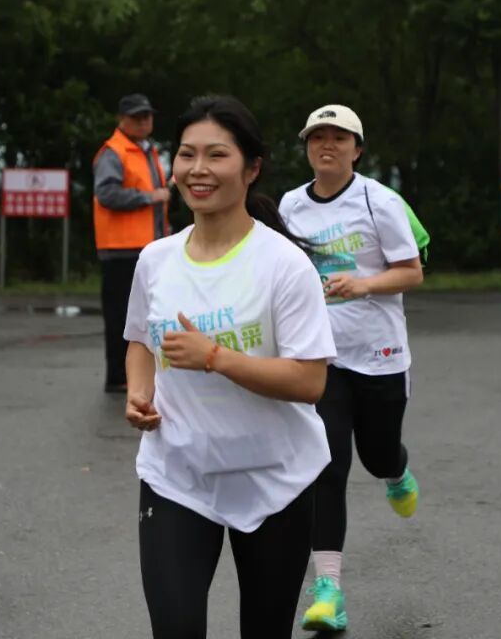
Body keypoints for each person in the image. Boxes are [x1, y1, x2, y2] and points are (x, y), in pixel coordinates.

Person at [123, 95, 337, 638]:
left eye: (216, 155)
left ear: (251, 167)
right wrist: (139, 392)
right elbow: (140, 341)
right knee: (176, 628)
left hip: (275, 478)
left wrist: (216, 358)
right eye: (187, 154)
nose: (198, 169)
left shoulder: (284, 265)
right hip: (177, 474)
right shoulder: (155, 260)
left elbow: (310, 380)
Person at [279, 104, 426, 632]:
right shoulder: (291, 205)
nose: (327, 145)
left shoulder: (379, 201)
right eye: (317, 136)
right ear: (306, 147)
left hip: (380, 354)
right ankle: (329, 592)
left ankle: (396, 471)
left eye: (339, 138)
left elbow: (412, 272)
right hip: (323, 357)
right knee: (328, 466)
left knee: (377, 454)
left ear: (357, 150)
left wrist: (363, 285)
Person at [92, 93, 170, 393]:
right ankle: (117, 377)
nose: (143, 121)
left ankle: (140, 375)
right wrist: (149, 197)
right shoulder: (114, 152)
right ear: (122, 120)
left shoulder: (146, 150)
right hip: (121, 249)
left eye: (147, 116)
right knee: (121, 316)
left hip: (147, 246)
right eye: (137, 117)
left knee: (146, 314)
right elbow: (106, 194)